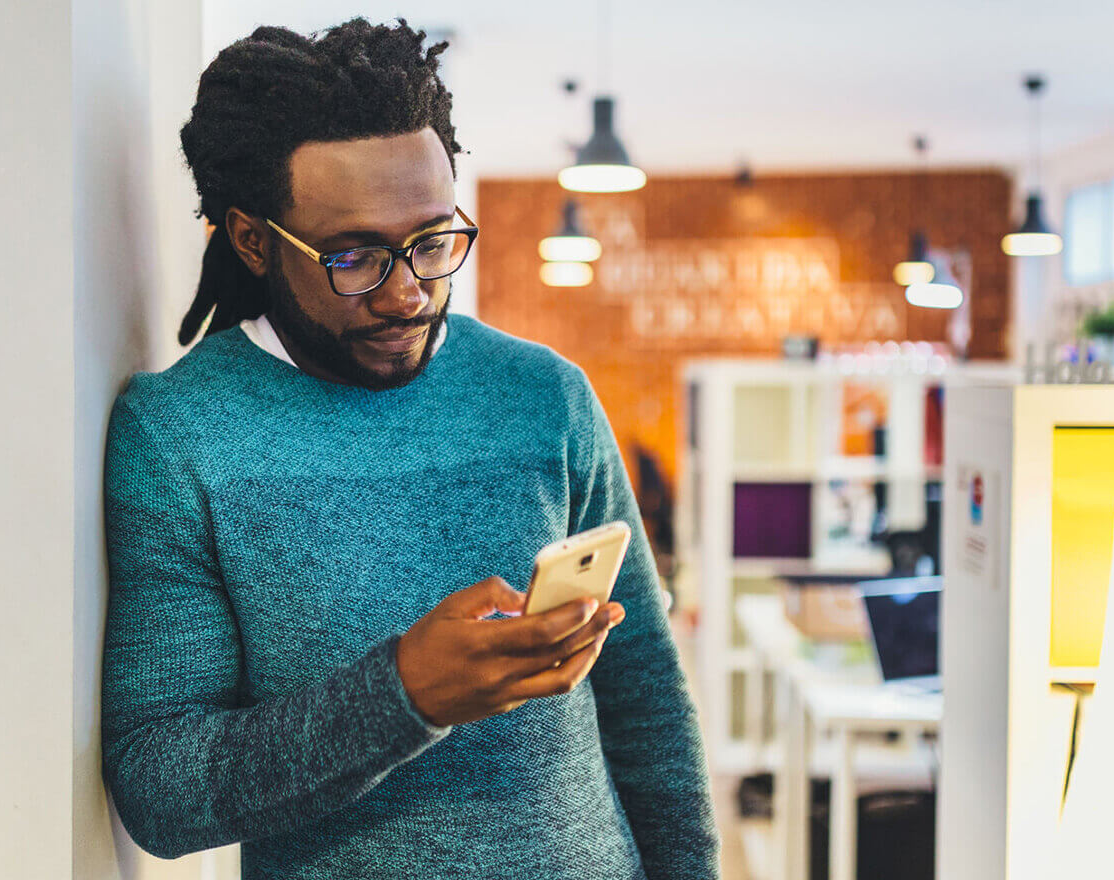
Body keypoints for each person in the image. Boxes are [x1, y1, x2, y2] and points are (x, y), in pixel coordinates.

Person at [101, 18, 719, 879]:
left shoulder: (544, 397)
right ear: (252, 239)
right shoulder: (178, 438)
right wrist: (403, 695)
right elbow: (159, 784)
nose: (410, 295)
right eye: (356, 256)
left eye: (433, 242)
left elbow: (647, 702)